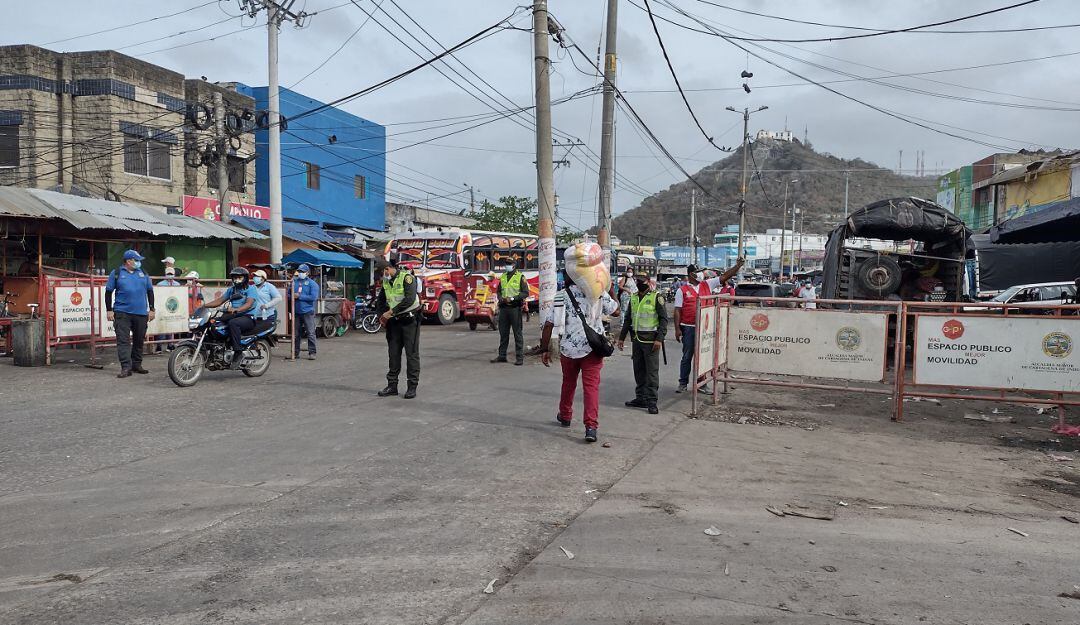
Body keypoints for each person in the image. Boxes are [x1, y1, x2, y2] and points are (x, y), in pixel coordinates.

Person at [539, 269, 620, 443]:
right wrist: (609, 287)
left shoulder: (561, 296)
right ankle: (591, 427)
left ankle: (566, 415)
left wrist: (544, 349)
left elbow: (548, 324)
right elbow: (616, 311)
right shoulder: (597, 292)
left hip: (568, 349)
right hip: (593, 349)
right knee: (591, 388)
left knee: (568, 383)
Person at [673, 258, 745, 393]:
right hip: (689, 327)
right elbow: (677, 310)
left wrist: (738, 266)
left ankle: (702, 383)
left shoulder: (707, 284)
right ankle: (683, 383)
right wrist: (677, 329)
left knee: (703, 357)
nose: (700, 274)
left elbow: (725, 276)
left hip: (705, 328)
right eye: (697, 272)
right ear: (690, 275)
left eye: (700, 271)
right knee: (687, 356)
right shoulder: (681, 290)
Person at [617, 273, 668, 414]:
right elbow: (628, 319)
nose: (639, 283)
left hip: (652, 341)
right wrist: (621, 338)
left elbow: (664, 320)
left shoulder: (656, 297)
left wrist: (660, 338)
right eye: (637, 281)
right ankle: (641, 398)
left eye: (641, 281)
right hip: (637, 340)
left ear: (648, 282)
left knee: (651, 372)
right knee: (639, 370)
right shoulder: (633, 297)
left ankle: (652, 401)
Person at [104, 249, 155, 378]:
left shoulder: (143, 273)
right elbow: (108, 292)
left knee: (139, 340)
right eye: (136, 260)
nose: (139, 263)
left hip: (141, 313)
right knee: (123, 341)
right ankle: (126, 367)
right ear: (128, 261)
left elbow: (150, 291)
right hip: (122, 313)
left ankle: (137, 364)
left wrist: (152, 309)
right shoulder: (116, 273)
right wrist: (109, 310)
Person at [376, 259, 422, 399]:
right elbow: (380, 301)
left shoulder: (407, 278)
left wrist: (390, 312)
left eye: (384, 273)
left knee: (411, 354)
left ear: (388, 269)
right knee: (393, 354)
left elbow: (409, 299)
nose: (383, 276)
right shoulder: (386, 282)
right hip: (394, 323)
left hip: (410, 321)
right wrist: (380, 316)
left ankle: (412, 387)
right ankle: (392, 386)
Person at [203, 267, 258, 370]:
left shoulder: (251, 289)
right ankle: (213, 351)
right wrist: (204, 306)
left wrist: (237, 309)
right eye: (235, 277)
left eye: (239, 277)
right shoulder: (232, 290)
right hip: (233, 314)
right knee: (212, 322)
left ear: (245, 278)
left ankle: (238, 352)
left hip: (247, 317)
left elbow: (249, 303)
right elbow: (219, 301)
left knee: (233, 323)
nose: (237, 280)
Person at [491, 258, 529, 365]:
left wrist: (512, 298)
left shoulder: (520, 277)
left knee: (517, 334)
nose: (507, 266)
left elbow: (525, 293)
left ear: (514, 265)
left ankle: (519, 358)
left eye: (509, 264)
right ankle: (502, 355)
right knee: (503, 333)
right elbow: (499, 291)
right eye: (506, 264)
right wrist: (500, 298)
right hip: (504, 308)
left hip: (515, 308)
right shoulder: (503, 276)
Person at [292, 263, 320, 360]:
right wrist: (291, 296)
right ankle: (295, 353)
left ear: (307, 273)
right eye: (299, 271)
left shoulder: (313, 284)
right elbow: (287, 294)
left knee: (310, 333)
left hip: (308, 312)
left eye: (302, 272)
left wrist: (299, 296)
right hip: (296, 312)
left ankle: (312, 352)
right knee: (295, 334)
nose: (300, 273)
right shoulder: (293, 282)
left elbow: (313, 297)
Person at [153, 268, 182, 354]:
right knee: (161, 327)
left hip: (173, 307)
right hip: (162, 307)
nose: (170, 275)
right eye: (168, 273)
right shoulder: (160, 284)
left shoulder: (177, 284)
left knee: (171, 326)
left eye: (171, 273)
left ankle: (170, 345)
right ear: (165, 274)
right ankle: (159, 346)